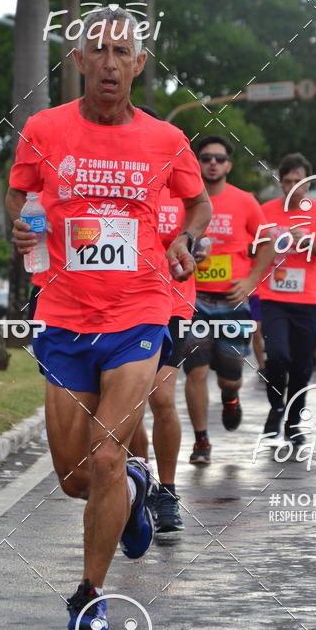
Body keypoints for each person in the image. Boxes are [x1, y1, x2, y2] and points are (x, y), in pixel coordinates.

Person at [7, 6, 211, 630]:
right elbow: (19, 191)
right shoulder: (44, 129)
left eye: (122, 52)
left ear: (139, 64)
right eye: (98, 50)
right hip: (65, 315)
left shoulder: (163, 140)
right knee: (74, 478)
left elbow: (198, 203)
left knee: (102, 456)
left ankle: (89, 596)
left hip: (138, 313)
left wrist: (188, 240)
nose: (110, 61)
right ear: (78, 62)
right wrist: (22, 226)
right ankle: (133, 483)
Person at [182, 135, 275, 465]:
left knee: (229, 377)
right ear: (197, 162)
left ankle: (231, 397)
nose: (212, 163)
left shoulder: (246, 201)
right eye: (206, 157)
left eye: (219, 159)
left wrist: (251, 281)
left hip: (233, 302)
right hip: (193, 300)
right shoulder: (184, 201)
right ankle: (201, 441)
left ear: (228, 165)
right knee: (196, 371)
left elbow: (267, 245)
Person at [130, 181, 201, 531]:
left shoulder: (187, 196)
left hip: (173, 307)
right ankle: (142, 483)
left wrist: (189, 245)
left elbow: (202, 223)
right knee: (129, 402)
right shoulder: (121, 186)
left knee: (160, 397)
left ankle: (168, 493)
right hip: (127, 305)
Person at [255, 153, 316, 444]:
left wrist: (309, 242)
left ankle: (293, 421)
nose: (293, 187)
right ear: (280, 182)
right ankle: (276, 406)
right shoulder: (264, 211)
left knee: (302, 366)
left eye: (299, 181)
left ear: (308, 184)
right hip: (272, 297)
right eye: (287, 181)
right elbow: (250, 250)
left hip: (307, 300)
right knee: (277, 357)